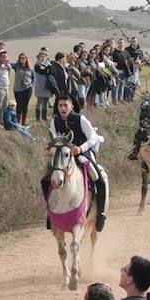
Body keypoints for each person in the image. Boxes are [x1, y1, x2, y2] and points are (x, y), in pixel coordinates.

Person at [48, 95, 109, 231]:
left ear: (72, 106)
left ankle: (100, 214)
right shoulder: (55, 121)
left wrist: (80, 148)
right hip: (63, 156)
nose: (62, 108)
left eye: (65, 105)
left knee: (98, 177)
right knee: (46, 177)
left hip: (82, 152)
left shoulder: (80, 119)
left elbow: (93, 138)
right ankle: (50, 213)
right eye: (60, 105)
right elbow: (54, 140)